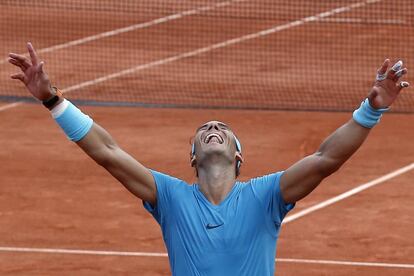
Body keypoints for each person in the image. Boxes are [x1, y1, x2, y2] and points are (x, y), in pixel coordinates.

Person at [9, 43, 409, 275]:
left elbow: (325, 159)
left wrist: (370, 111)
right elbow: (108, 152)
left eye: (221, 127)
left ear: (238, 155)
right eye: (204, 129)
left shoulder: (267, 195)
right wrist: (51, 99)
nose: (212, 127)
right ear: (193, 156)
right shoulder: (170, 197)